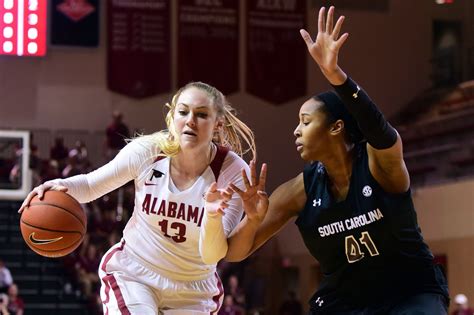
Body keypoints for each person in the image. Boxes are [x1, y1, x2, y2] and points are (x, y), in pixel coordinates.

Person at [225, 6, 449, 315]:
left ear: (336, 127)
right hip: (346, 302)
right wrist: (250, 221)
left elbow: (381, 131)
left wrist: (336, 76)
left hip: (409, 294)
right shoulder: (299, 191)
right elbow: (236, 253)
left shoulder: (378, 165)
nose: (296, 130)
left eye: (306, 121)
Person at [19, 82, 257, 314]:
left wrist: (213, 216)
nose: (190, 120)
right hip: (136, 273)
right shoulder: (148, 151)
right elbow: (91, 185)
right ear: (173, 116)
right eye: (183, 112)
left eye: (202, 114)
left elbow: (212, 255)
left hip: (193, 289)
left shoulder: (233, 172)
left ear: (218, 124)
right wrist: (59, 185)